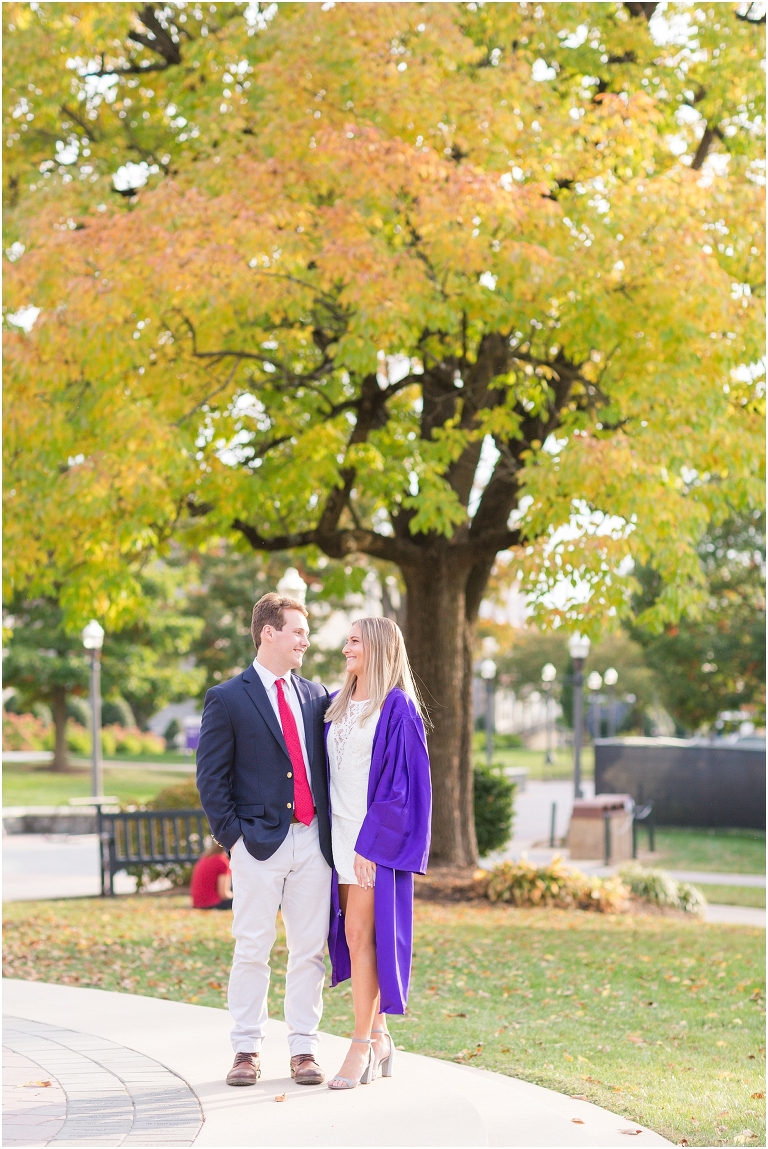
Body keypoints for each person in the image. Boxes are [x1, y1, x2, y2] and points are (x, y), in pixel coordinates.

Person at [196, 592, 332, 1087]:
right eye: (297, 631)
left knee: (308, 950)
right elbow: (211, 779)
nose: (306, 640)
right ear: (267, 632)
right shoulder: (228, 697)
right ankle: (246, 1051)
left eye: (306, 632)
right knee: (252, 947)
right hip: (255, 845)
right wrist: (233, 839)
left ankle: (304, 1051)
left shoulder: (316, 694)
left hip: (312, 842)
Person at [325, 616, 432, 1090]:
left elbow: (404, 786)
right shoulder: (338, 703)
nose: (346, 647)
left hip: (370, 844)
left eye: (353, 641)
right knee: (355, 938)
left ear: (376, 647)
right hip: (338, 836)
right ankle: (381, 1035)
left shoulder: (398, 708)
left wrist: (373, 846)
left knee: (359, 933)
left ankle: (361, 1045)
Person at [190, 842, 233, 910]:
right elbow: (224, 894)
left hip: (198, 904)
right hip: (213, 904)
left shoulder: (205, 858)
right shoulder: (222, 862)